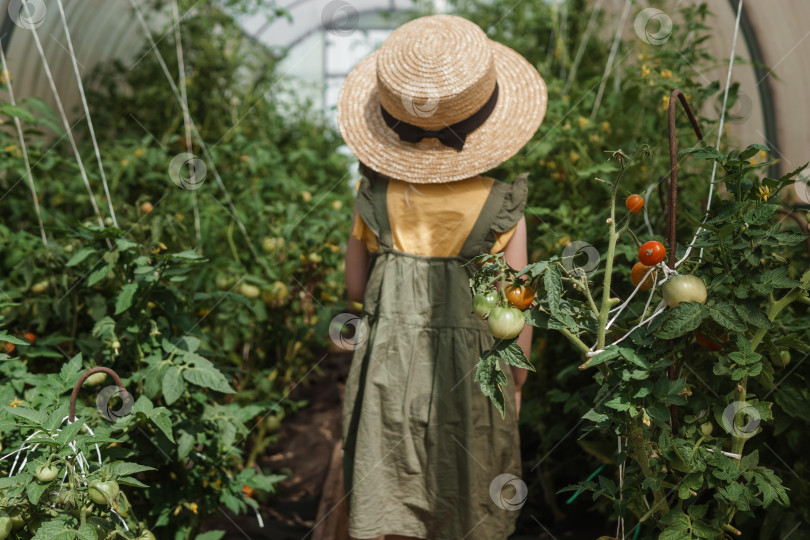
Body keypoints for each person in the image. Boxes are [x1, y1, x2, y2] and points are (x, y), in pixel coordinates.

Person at [337, 13, 547, 540]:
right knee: (468, 485)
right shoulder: (501, 206)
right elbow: (516, 306)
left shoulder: (375, 197)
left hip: (388, 369)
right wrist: (517, 383)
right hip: (472, 374)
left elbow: (357, 292)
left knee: (390, 484)